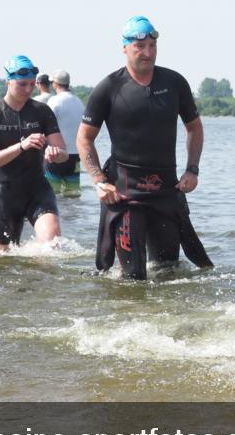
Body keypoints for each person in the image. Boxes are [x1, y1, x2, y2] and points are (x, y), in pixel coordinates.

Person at [76, 15, 212, 279]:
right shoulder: (109, 87)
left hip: (165, 191)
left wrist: (192, 170)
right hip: (125, 194)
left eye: (152, 46)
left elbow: (194, 127)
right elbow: (84, 138)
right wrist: (98, 180)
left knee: (168, 272)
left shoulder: (174, 83)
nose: (148, 53)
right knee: (133, 278)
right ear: (125, 47)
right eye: (140, 47)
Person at [0, 55, 69, 251]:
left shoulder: (42, 111)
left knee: (52, 247)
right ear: (8, 81)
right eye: (22, 84)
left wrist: (54, 152)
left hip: (38, 190)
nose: (28, 89)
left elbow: (64, 154)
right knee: (4, 261)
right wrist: (21, 146)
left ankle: (38, 280)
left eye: (32, 84)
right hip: (5, 194)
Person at [44, 70, 84, 196]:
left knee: (51, 195)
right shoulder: (79, 102)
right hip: (75, 156)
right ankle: (73, 217)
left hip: (56, 154)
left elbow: (45, 126)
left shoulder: (54, 101)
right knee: (72, 195)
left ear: (55, 84)